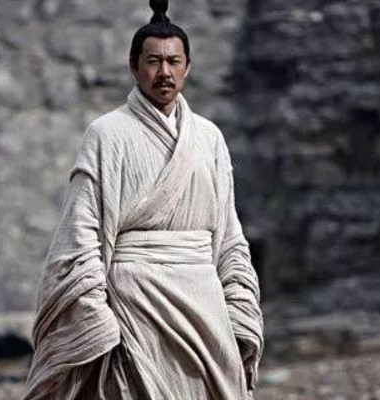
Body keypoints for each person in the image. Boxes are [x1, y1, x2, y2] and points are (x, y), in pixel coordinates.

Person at [22, 0, 263, 398]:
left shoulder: (209, 138)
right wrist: (95, 312)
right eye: (153, 61)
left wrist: (238, 305)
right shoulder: (106, 134)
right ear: (134, 67)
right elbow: (82, 232)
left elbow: (229, 235)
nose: (164, 72)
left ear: (188, 67)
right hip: (133, 302)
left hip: (204, 303)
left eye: (174, 61)